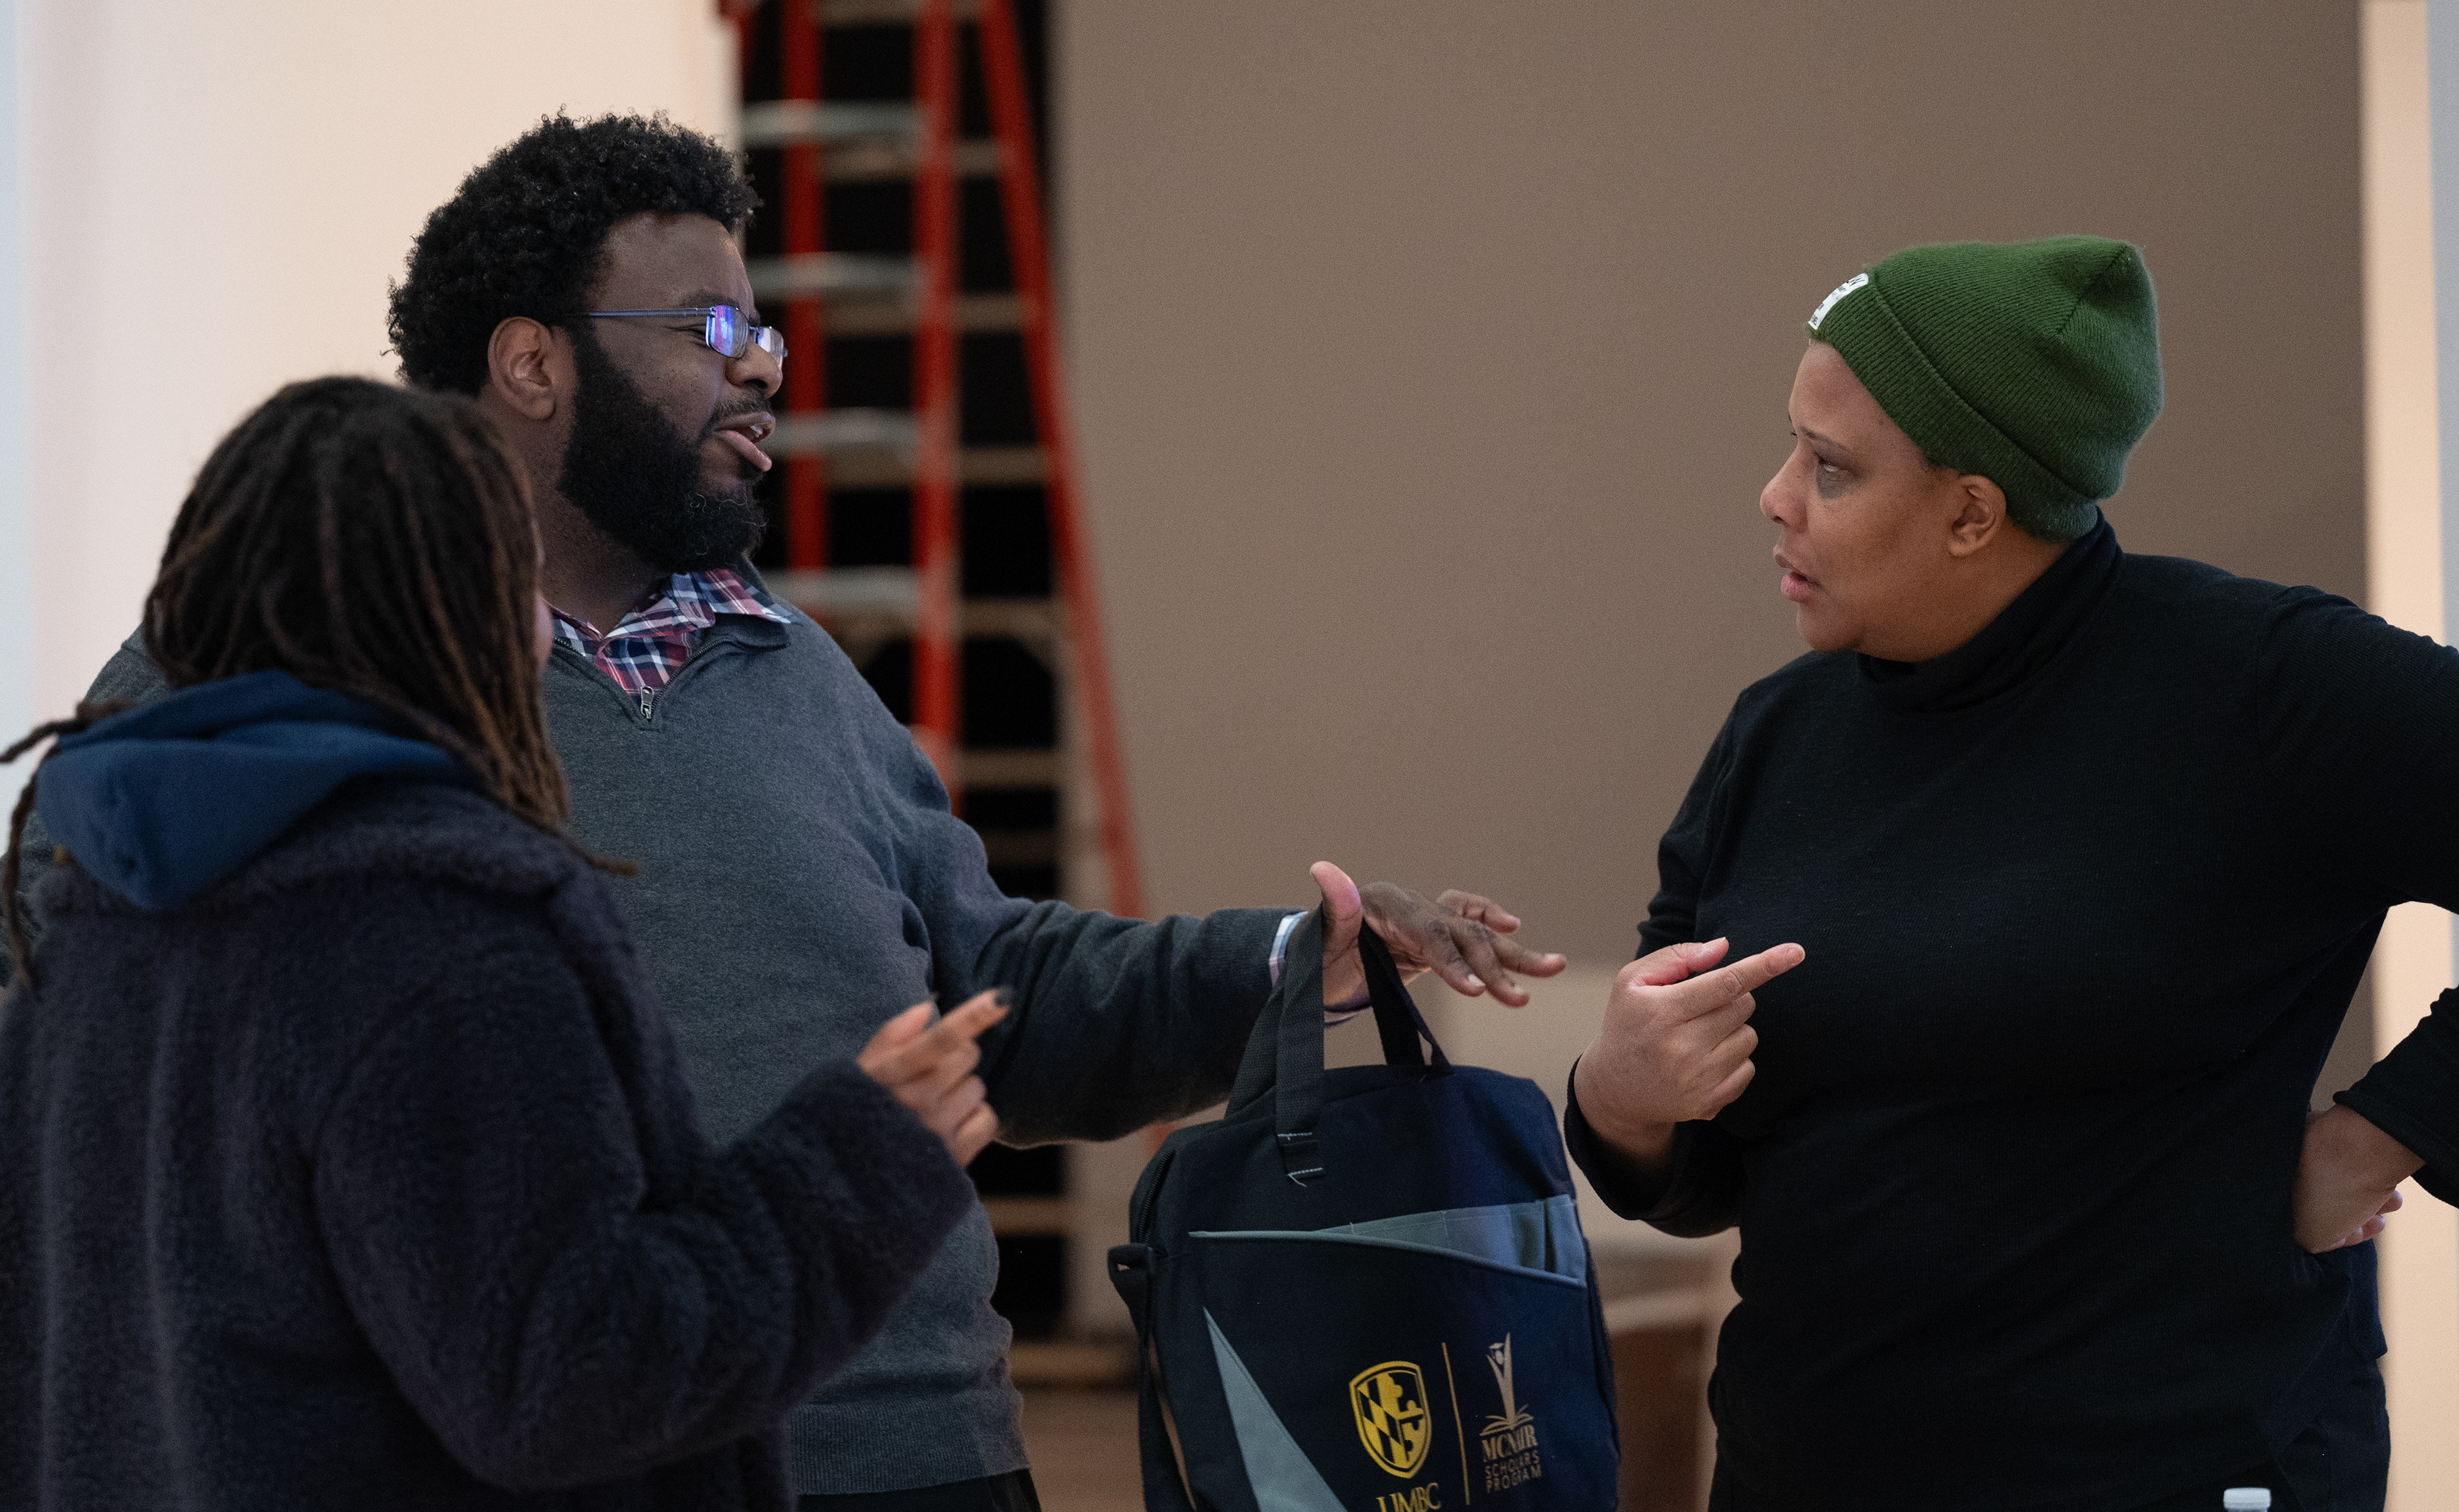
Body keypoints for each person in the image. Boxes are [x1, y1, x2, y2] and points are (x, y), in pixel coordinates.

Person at [8, 114, 1571, 1509]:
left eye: (765, 327)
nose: (764, 365)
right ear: (533, 363)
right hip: (581, 1455)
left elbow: (985, 1001)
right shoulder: (254, 699)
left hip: (925, 1447)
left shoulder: (793, 668)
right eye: (711, 325)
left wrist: (1290, 958)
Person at [0, 377, 1016, 1510]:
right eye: (521, 578)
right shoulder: (444, 944)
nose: (543, 627)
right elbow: (567, 1381)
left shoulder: (88, 928)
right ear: (459, 610)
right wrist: (855, 1171)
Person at [1563, 236, 2456, 1511]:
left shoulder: (2257, 686)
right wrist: (1623, 1098)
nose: (1775, 497)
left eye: (1829, 467)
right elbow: (1709, 1178)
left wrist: (2381, 1137)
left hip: (2172, 1469)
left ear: (1974, 513)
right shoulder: (1780, 733)